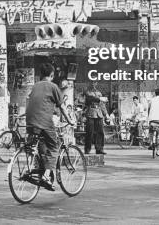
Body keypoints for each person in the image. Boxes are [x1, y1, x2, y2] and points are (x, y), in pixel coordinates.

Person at [26, 62, 73, 191]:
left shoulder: (35, 86)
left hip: (30, 121)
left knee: (37, 145)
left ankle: (32, 168)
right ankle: (46, 176)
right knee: (54, 146)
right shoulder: (53, 86)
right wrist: (70, 120)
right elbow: (62, 106)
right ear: (52, 75)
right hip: (44, 122)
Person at [84, 81, 107, 155]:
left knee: (100, 132)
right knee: (89, 132)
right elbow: (90, 98)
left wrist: (106, 114)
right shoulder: (87, 91)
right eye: (92, 82)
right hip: (91, 112)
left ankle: (99, 149)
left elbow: (102, 104)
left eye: (95, 82)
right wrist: (100, 99)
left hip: (99, 113)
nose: (93, 84)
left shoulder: (99, 92)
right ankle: (87, 149)